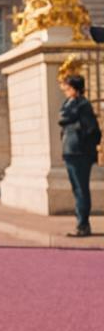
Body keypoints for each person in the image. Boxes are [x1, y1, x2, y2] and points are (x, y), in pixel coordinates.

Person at [59, 74, 100, 237]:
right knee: (77, 189)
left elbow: (91, 129)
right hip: (70, 151)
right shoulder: (69, 103)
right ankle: (81, 223)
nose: (65, 91)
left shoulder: (82, 105)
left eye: (68, 88)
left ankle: (83, 225)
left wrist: (79, 138)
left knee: (81, 189)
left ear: (76, 89)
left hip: (79, 152)